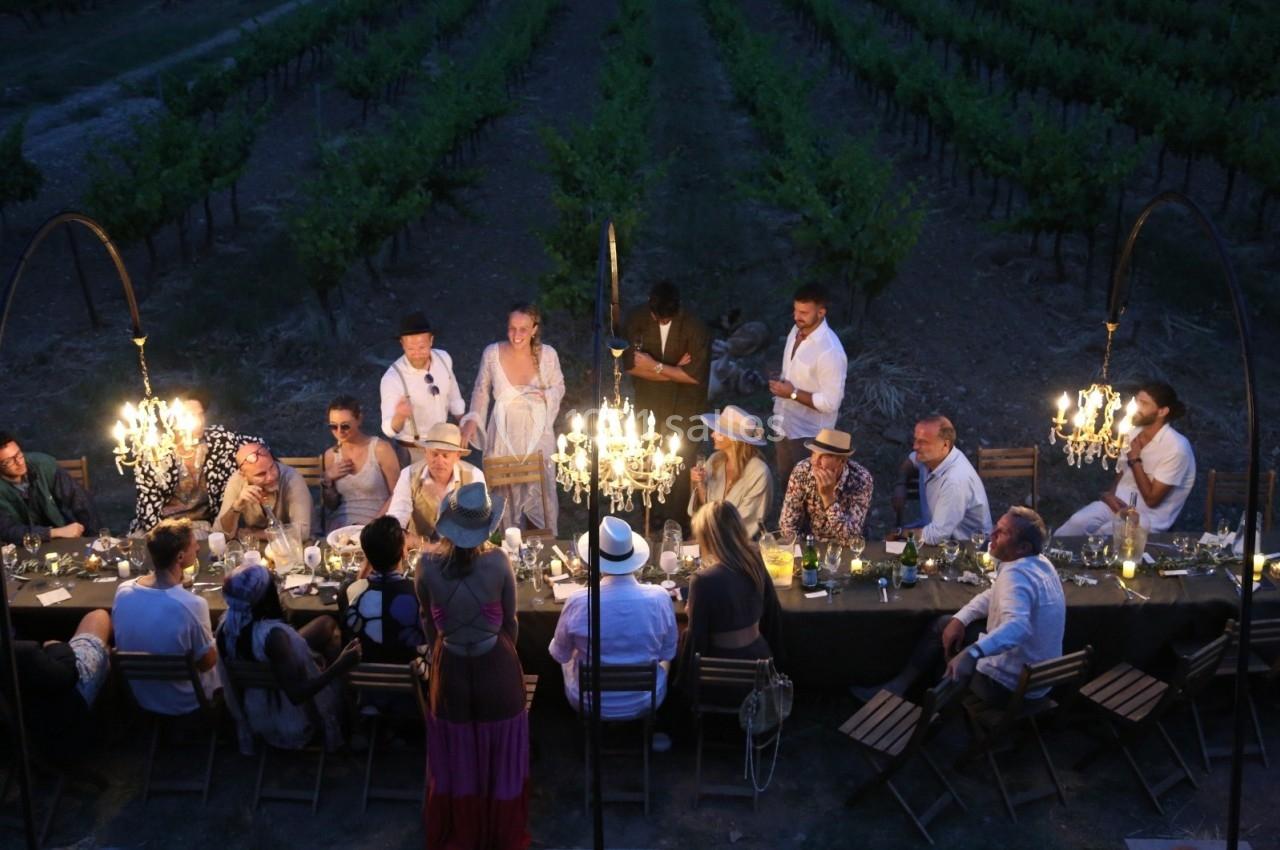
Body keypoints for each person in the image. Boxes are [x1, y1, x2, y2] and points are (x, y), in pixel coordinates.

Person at [852, 508, 1066, 707]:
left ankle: (928, 709)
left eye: (1004, 532)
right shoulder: (1039, 563)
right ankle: (909, 691)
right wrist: (960, 619)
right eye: (996, 526)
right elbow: (994, 594)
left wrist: (971, 654)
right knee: (946, 625)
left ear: (1023, 547)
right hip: (1037, 681)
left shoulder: (1016, 575)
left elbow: (1019, 627)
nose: (993, 534)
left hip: (1007, 686)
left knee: (948, 652)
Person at [415, 483, 529, 849]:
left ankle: (462, 828)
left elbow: (426, 619)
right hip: (495, 663)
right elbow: (511, 620)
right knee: (501, 749)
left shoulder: (426, 565)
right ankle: (497, 827)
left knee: (457, 752)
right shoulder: (497, 561)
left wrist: (441, 652)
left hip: (450, 667)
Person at [217, 562, 358, 753]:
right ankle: (348, 726)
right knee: (344, 669)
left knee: (326, 624)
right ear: (265, 597)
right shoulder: (274, 637)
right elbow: (297, 694)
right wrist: (339, 665)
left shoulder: (226, 627)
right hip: (286, 717)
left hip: (256, 703)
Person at [549, 515, 678, 720]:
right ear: (634, 559)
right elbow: (667, 653)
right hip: (645, 700)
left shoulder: (578, 601)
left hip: (588, 702)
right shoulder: (660, 598)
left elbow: (560, 655)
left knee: (569, 653)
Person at [460, 302, 566, 536]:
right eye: (512, 328)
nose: (516, 335)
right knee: (505, 495)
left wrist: (545, 395)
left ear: (534, 329)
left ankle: (543, 550)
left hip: (536, 433)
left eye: (523, 329)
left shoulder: (547, 355)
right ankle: (508, 554)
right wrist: (471, 421)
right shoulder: (491, 353)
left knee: (540, 494)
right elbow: (481, 389)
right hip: (503, 433)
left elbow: (558, 386)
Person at [624, 281, 711, 530]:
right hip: (649, 403)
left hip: (685, 406)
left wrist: (655, 365)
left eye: (667, 319)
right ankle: (651, 518)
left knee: (681, 459)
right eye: (658, 318)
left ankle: (678, 520)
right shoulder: (637, 320)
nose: (662, 322)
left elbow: (695, 377)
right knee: (647, 458)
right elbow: (632, 366)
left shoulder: (695, 328)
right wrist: (675, 370)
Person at [1055, 382, 1196, 535]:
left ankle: (1084, 558)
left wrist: (1135, 459)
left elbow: (1152, 500)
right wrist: (1110, 494)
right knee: (1076, 523)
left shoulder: (1176, 448)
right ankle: (1050, 557)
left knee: (1103, 534)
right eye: (1136, 401)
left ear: (1162, 411)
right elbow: (1122, 471)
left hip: (1147, 518)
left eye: (1144, 403)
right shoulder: (1132, 432)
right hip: (1117, 505)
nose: (1136, 407)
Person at [113, 519, 219, 715]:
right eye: (194, 544)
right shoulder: (192, 605)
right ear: (180, 556)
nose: (197, 547)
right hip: (186, 699)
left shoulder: (123, 591)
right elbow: (207, 663)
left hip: (142, 696)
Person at [675, 502, 783, 695]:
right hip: (759, 662)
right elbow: (771, 610)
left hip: (721, 673)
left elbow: (697, 639)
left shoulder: (702, 580)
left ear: (708, 539)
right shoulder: (755, 560)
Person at [128, 391, 263, 537]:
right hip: (161, 526)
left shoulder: (220, 441)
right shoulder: (153, 451)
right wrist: (162, 539)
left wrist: (262, 470)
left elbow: (260, 448)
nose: (199, 422)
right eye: (188, 416)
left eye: (200, 414)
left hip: (201, 525)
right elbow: (147, 509)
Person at [2, 610, 112, 763]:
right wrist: (57, 647)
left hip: (19, 725)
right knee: (99, 616)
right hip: (60, 711)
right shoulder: (23, 653)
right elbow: (67, 677)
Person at [768, 285, 848, 486]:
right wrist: (781, 381)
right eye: (795, 310)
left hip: (809, 435)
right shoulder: (797, 330)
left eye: (804, 312)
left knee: (808, 492)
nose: (797, 316)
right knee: (787, 486)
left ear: (821, 312)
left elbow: (831, 403)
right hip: (783, 422)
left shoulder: (830, 352)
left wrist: (792, 393)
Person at [380, 311, 466, 466]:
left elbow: (454, 397)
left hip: (444, 445)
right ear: (402, 344)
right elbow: (388, 429)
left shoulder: (444, 358)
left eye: (422, 347)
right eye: (411, 349)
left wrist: (464, 424)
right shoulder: (392, 379)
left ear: (431, 340)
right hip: (413, 452)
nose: (417, 354)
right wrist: (400, 415)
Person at [889, 415, 991, 544]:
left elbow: (935, 536)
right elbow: (910, 461)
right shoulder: (929, 457)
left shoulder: (955, 481)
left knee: (889, 550)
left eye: (923, 442)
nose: (915, 446)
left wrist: (899, 534)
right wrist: (901, 484)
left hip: (966, 546)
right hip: (936, 531)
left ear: (945, 444)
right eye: (915, 440)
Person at [340, 516, 425, 664]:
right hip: (410, 681)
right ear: (404, 553)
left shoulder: (350, 592)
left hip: (365, 682)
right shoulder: (418, 592)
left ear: (366, 556)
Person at [385, 422, 486, 546]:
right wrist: (407, 538)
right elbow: (396, 517)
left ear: (457, 456)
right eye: (434, 454)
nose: (439, 461)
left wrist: (445, 499)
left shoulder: (473, 476)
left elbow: (477, 524)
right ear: (425, 452)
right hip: (417, 552)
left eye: (445, 455)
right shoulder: (408, 474)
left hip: (459, 551)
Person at [688, 405, 773, 540]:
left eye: (719, 432)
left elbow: (746, 521)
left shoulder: (759, 472)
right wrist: (699, 483)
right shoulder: (715, 461)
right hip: (710, 536)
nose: (712, 434)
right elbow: (706, 506)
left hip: (739, 544)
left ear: (734, 439)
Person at [0, 431, 100, 544]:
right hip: (23, 545)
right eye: (8, 462)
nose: (19, 462)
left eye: (19, 454)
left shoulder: (43, 465)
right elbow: (7, 531)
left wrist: (94, 539)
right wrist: (53, 533)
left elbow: (80, 501)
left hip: (64, 540)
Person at [778, 428, 873, 547]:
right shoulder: (802, 471)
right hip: (810, 543)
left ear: (842, 461)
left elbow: (851, 538)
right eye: (814, 453)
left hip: (847, 548)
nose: (815, 461)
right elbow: (787, 524)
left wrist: (829, 499)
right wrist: (798, 547)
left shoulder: (861, 479)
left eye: (824, 456)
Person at [321, 394, 400, 533]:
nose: (339, 432)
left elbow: (398, 494)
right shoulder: (331, 456)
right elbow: (331, 506)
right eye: (333, 426)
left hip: (376, 521)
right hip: (342, 524)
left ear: (359, 420)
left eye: (345, 426)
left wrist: (374, 525)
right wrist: (327, 480)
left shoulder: (380, 449)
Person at [216, 443, 313, 542]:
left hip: (293, 547)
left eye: (272, 467)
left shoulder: (292, 478)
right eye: (261, 474)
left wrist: (255, 534)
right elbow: (220, 532)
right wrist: (236, 507)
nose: (270, 477)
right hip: (255, 550)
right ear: (243, 475)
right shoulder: (236, 481)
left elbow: (302, 532)